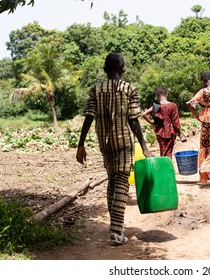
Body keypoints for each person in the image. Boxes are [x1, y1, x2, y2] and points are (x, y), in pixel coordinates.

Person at [76, 52, 153, 245]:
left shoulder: (96, 90)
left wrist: (81, 144)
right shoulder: (129, 89)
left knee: (112, 179)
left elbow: (89, 116)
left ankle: (115, 224)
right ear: (123, 69)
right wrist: (144, 145)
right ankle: (117, 230)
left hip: (104, 141)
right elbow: (133, 120)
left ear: (105, 69)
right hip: (124, 141)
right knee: (121, 181)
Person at [142, 87, 186, 158]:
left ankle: (163, 167)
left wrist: (153, 124)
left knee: (163, 151)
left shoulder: (156, 106)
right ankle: (167, 167)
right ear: (167, 94)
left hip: (160, 131)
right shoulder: (172, 106)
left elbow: (144, 114)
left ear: (157, 96)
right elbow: (176, 122)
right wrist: (180, 134)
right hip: (170, 132)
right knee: (169, 151)